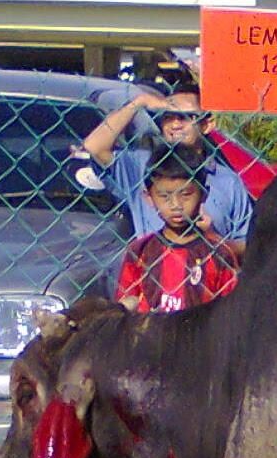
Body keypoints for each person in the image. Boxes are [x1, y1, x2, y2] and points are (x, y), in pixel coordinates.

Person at [83, 83, 252, 259]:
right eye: (168, 117)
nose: (175, 125)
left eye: (186, 117)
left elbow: (247, 245)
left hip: (208, 280)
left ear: (207, 125)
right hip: (155, 277)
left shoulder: (227, 181)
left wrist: (213, 240)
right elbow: (94, 146)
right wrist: (139, 102)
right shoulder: (141, 166)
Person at [115, 144, 239, 313]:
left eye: (186, 194)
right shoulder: (140, 251)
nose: (176, 205)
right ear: (149, 197)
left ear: (204, 193)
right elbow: (127, 302)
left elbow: (229, 311)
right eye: (164, 196)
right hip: (149, 337)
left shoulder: (219, 255)